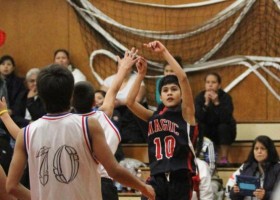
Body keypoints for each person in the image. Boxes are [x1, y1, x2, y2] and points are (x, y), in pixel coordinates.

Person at [5, 64, 155, 200]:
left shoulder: (26, 133)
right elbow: (114, 170)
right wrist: (144, 187)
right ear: (71, 95)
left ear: (40, 95)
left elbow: (11, 186)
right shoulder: (88, 124)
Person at [126, 41, 197, 200]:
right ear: (161, 95)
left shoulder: (186, 114)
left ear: (180, 93)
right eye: (165, 90)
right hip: (157, 178)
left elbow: (183, 78)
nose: (169, 93)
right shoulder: (152, 117)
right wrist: (140, 75)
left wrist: (164, 51)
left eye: (174, 89)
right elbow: (129, 102)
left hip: (180, 178)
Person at [101, 53, 148, 143]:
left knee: (131, 111)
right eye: (121, 65)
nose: (124, 68)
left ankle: (131, 140)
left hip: (131, 111)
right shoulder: (109, 80)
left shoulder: (136, 79)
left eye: (127, 65)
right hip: (113, 110)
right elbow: (101, 97)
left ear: (132, 68)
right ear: (117, 67)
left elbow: (137, 99)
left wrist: (119, 102)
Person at [195, 72, 236, 164]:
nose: (210, 85)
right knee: (201, 126)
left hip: (223, 131)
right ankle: (205, 157)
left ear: (219, 85)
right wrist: (206, 103)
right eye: (208, 82)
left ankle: (224, 158)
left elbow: (226, 118)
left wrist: (217, 102)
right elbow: (198, 117)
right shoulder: (199, 98)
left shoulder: (226, 97)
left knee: (223, 127)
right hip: (207, 130)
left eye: (213, 82)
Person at [226, 135, 280, 200]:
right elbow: (233, 195)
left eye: (262, 148)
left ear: (269, 151)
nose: (259, 151)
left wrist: (265, 195)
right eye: (256, 148)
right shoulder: (246, 167)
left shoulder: (277, 168)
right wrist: (235, 192)